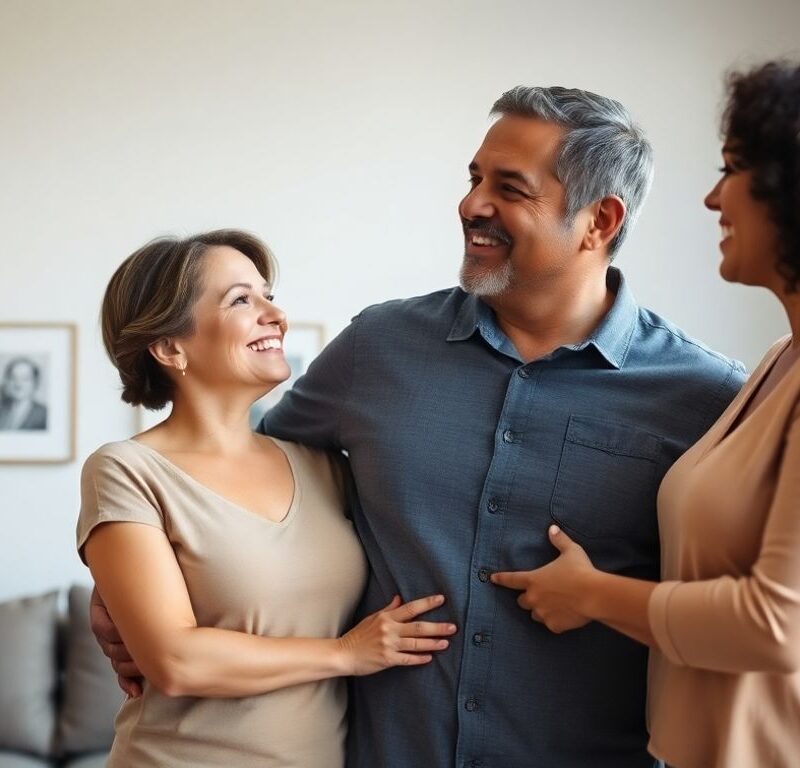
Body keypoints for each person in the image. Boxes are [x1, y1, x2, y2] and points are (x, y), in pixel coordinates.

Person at [93, 88, 746, 767]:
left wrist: (608, 597)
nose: (471, 206)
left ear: (599, 221)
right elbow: (238, 488)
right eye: (473, 180)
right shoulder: (379, 348)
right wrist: (125, 591)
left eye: (510, 188)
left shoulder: (707, 399)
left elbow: (747, 610)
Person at [492, 61, 800, 768]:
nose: (713, 199)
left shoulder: (707, 380)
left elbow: (776, 624)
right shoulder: (777, 364)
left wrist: (593, 594)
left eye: (734, 169)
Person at [78, 229, 456, 767]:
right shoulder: (125, 470)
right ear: (169, 347)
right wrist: (346, 654)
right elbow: (175, 661)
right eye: (240, 299)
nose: (275, 316)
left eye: (268, 297)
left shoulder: (323, 467)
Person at [0, 356, 47, 430]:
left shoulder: (44, 415)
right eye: (13, 378)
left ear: (35, 383)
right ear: (7, 381)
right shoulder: (2, 410)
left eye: (25, 379)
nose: (18, 384)